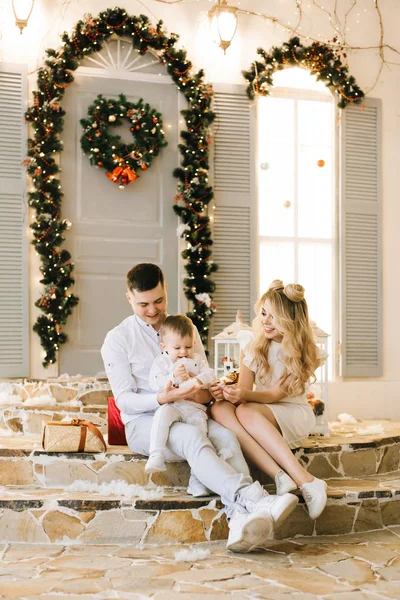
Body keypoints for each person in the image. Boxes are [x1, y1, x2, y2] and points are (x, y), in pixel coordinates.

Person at [101, 264, 299, 552]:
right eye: (143, 304)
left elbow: (204, 386)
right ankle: (254, 498)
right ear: (129, 298)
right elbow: (124, 401)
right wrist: (163, 398)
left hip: (190, 411)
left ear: (166, 290)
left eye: (159, 301)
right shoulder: (117, 339)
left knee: (228, 437)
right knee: (191, 438)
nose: (153, 310)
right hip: (144, 422)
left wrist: (204, 392)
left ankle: (237, 522)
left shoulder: (186, 327)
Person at [210, 280, 328, 521]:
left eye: (274, 317)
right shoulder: (252, 345)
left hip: (291, 412)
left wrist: (245, 396)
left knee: (245, 411)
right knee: (220, 409)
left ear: (290, 319)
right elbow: (244, 388)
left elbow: (275, 395)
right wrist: (230, 393)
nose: (265, 321)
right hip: (258, 409)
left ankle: (306, 480)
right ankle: (280, 476)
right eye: (264, 313)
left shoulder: (301, 351)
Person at [146, 314, 216, 478]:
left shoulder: (198, 360)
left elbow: (211, 375)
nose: (184, 352)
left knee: (200, 437)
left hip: (195, 409)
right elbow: (155, 383)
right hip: (174, 406)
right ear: (164, 346)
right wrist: (172, 376)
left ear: (193, 344)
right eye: (177, 348)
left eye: (188, 347)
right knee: (161, 415)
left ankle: (198, 477)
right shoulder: (162, 362)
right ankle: (156, 454)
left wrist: (197, 379)